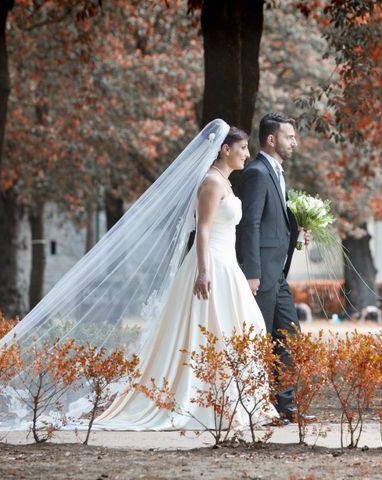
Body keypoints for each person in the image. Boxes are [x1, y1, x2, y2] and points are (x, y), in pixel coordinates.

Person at [96, 124, 277, 430]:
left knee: (246, 328)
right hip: (211, 264)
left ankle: (242, 402)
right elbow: (203, 229)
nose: (247, 154)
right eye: (243, 148)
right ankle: (210, 404)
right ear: (225, 149)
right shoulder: (211, 183)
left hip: (228, 264)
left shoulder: (226, 183)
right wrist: (203, 272)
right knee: (213, 329)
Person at [237, 113, 311, 423]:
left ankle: (286, 407)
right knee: (261, 339)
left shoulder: (276, 173)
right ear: (271, 139)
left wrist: (295, 233)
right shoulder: (256, 172)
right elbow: (250, 224)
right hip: (261, 274)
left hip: (277, 273)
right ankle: (260, 407)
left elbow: (272, 221)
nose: (294, 142)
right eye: (289, 137)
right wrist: (252, 273)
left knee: (289, 336)